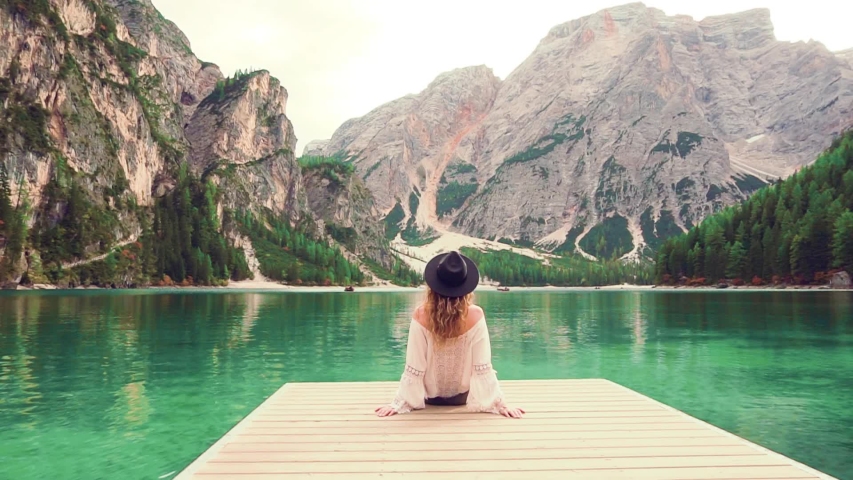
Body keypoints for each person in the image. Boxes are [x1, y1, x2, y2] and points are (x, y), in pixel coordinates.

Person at [375, 251, 525, 418]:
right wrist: (499, 403)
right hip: (462, 398)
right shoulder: (476, 315)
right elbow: (482, 367)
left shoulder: (421, 314)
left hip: (430, 398)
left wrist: (399, 403)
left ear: (433, 287)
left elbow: (414, 366)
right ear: (465, 287)